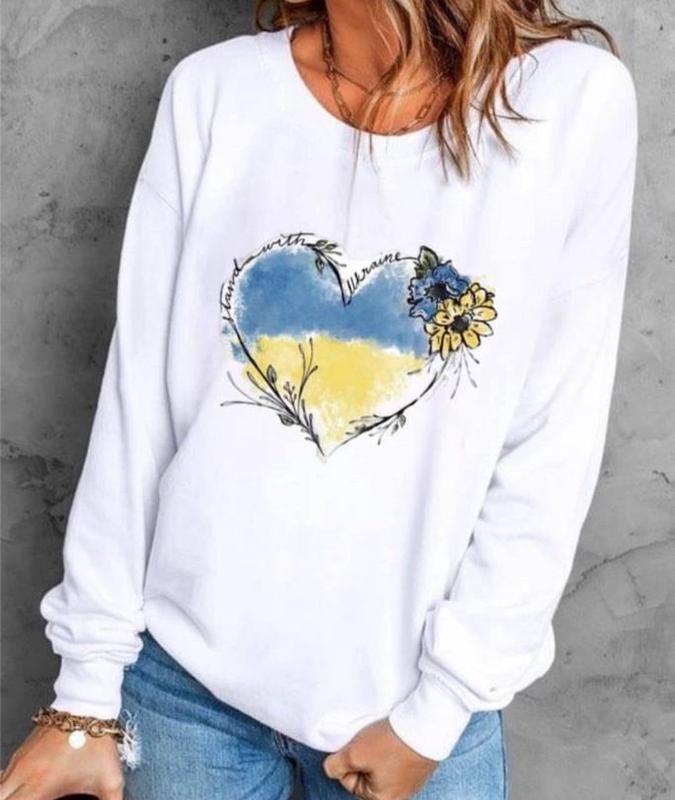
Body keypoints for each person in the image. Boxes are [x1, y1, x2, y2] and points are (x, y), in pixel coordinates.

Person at [0, 0, 638, 798]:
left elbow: (551, 439)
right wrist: (85, 695)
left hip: (416, 707)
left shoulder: (568, 101)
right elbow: (139, 409)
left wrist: (438, 710)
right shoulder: (215, 92)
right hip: (182, 692)